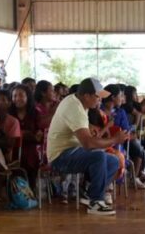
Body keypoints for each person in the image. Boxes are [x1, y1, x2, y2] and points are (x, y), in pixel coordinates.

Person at [46, 77, 128, 216]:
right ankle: (96, 202)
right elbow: (88, 144)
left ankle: (91, 196)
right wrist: (114, 139)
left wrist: (88, 127)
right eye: (97, 96)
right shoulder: (75, 108)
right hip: (60, 157)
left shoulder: (78, 102)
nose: (100, 100)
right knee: (98, 156)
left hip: (72, 151)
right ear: (86, 96)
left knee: (114, 160)